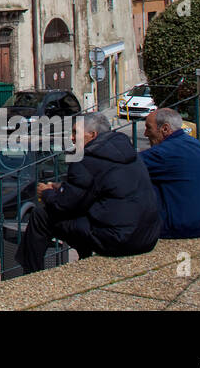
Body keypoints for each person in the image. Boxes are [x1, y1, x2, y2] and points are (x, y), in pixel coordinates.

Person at [18, 112, 160, 274]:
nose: (72, 138)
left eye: (75, 133)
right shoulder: (127, 151)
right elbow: (96, 190)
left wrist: (47, 194)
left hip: (119, 240)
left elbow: (64, 206)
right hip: (147, 236)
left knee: (40, 216)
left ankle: (31, 273)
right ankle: (84, 258)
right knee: (80, 216)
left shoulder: (86, 159)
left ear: (92, 135)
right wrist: (63, 187)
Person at [140, 107, 200, 239]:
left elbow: (126, 165)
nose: (145, 134)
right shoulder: (194, 144)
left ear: (165, 129)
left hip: (179, 226)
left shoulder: (166, 152)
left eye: (149, 128)